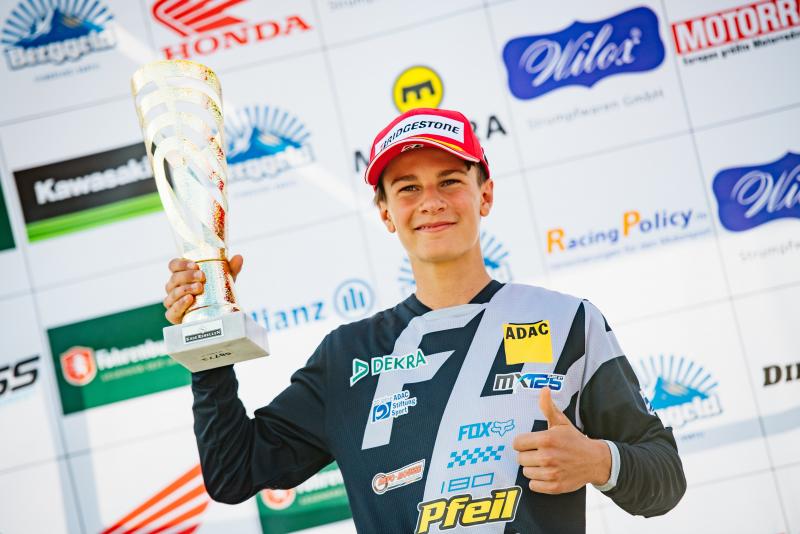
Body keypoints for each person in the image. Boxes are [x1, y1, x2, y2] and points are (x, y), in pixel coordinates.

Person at [163, 107, 686, 533]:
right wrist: (207, 336)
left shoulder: (566, 321)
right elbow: (233, 473)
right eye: (408, 188)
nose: (431, 202)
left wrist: (598, 462)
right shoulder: (347, 355)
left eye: (450, 181)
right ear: (386, 213)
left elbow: (665, 476)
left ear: (485, 194)